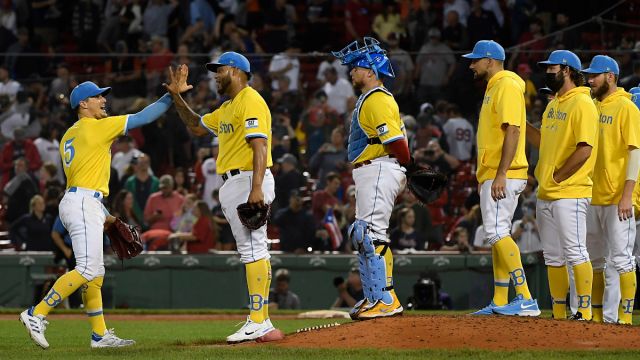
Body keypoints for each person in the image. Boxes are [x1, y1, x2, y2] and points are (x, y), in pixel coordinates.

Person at [19, 76, 177, 349]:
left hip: (80, 199)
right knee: (87, 268)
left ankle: (100, 334)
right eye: (98, 96)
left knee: (96, 271)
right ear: (83, 103)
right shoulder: (97, 127)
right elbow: (143, 117)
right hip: (82, 202)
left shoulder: (69, 134)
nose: (104, 100)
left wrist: (104, 213)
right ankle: (37, 313)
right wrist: (170, 97)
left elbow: (83, 177)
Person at [165, 53, 280, 343]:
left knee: (254, 249)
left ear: (237, 71)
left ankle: (257, 320)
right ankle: (261, 320)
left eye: (220, 70)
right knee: (252, 249)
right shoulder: (227, 107)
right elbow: (195, 125)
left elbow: (259, 146)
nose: (215, 75)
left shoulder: (250, 100)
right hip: (233, 181)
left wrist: (256, 189)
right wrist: (178, 97)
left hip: (247, 179)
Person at [332, 37, 410, 320]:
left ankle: (386, 299)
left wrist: (409, 166)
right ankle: (375, 296)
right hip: (373, 168)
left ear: (369, 70)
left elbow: (395, 140)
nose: (351, 71)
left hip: (379, 166)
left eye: (355, 67)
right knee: (362, 233)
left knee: (372, 234)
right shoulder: (371, 98)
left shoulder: (377, 98)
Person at [463, 40, 540, 316]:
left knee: (495, 233)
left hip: (504, 174)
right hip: (496, 173)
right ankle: (499, 298)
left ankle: (526, 297)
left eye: (475, 60)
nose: (471, 65)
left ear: (490, 60)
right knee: (499, 234)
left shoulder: (506, 84)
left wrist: (501, 174)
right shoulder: (495, 87)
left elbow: (514, 131)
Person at [526, 50, 599, 321]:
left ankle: (584, 311)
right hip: (547, 192)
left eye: (552, 68)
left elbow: (585, 149)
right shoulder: (555, 103)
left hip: (571, 191)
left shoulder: (582, 104)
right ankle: (559, 313)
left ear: (567, 70)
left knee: (576, 251)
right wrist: (520, 124)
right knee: (553, 256)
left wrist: (558, 176)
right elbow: (544, 142)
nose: (547, 72)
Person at [582, 55, 640, 325]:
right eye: (589, 75)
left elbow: (635, 152)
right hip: (592, 195)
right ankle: (597, 319)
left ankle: (622, 319)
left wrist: (628, 194)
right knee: (595, 261)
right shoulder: (592, 105)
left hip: (618, 196)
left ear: (611, 77)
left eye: (595, 75)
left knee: (621, 260)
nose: (590, 79)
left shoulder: (627, 108)